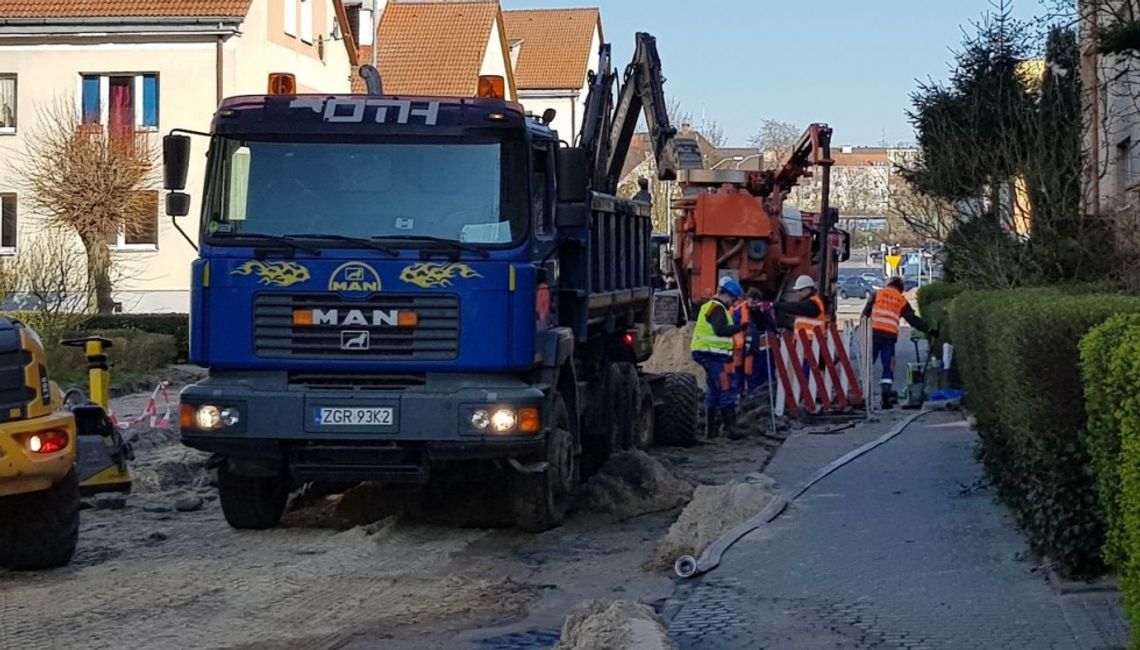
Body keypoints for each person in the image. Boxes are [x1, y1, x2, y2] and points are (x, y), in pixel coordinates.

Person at [862, 276, 936, 409]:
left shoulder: (877, 294)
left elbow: (865, 314)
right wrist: (929, 330)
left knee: (868, 363)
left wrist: (863, 330)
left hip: (874, 333)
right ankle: (886, 395)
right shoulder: (901, 300)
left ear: (889, 284)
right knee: (888, 365)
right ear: (901, 289)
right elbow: (912, 319)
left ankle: (862, 393)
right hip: (889, 336)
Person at [691, 277, 744, 438]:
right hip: (714, 356)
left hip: (709, 355)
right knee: (725, 389)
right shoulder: (717, 308)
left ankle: (711, 431)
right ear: (727, 295)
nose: (733, 304)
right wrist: (739, 328)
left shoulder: (710, 307)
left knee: (713, 392)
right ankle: (731, 429)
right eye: (733, 300)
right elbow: (721, 330)